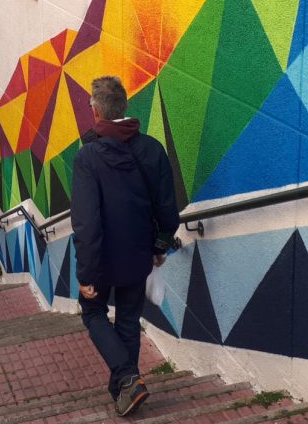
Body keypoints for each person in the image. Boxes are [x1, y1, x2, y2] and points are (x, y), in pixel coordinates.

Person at [71, 76, 180, 417]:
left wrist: (86, 272)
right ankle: (125, 386)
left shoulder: (88, 157)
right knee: (129, 320)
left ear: (95, 111)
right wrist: (161, 243)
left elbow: (86, 223)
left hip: (102, 258)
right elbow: (167, 207)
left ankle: (127, 378)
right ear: (123, 107)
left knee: (92, 311)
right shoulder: (151, 149)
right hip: (138, 255)